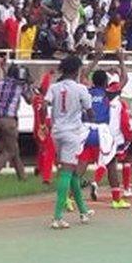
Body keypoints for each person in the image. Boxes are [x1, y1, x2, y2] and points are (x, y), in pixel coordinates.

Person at [45, 55, 94, 229]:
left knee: (72, 171)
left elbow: (45, 105)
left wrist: (46, 121)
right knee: (66, 172)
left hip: (57, 132)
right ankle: (57, 216)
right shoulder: (81, 89)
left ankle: (83, 211)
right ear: (76, 70)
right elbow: (90, 112)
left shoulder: (54, 87)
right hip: (72, 133)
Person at [0, 57, 34, 182]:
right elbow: (30, 100)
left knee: (14, 149)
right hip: (9, 119)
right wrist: (29, 83)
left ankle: (22, 178)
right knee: (10, 150)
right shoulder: (20, 85)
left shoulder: (1, 82)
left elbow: (4, 79)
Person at [88, 81, 132, 208]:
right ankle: (124, 191)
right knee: (120, 162)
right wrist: (128, 137)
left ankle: (95, 183)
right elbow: (124, 123)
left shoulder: (105, 103)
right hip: (117, 138)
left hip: (103, 135)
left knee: (103, 161)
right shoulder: (120, 104)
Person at [32, 71, 56, 185]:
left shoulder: (35, 99)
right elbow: (44, 111)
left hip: (35, 127)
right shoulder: (43, 101)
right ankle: (46, 176)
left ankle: (39, 167)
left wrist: (48, 75)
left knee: (41, 149)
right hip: (43, 126)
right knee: (49, 152)